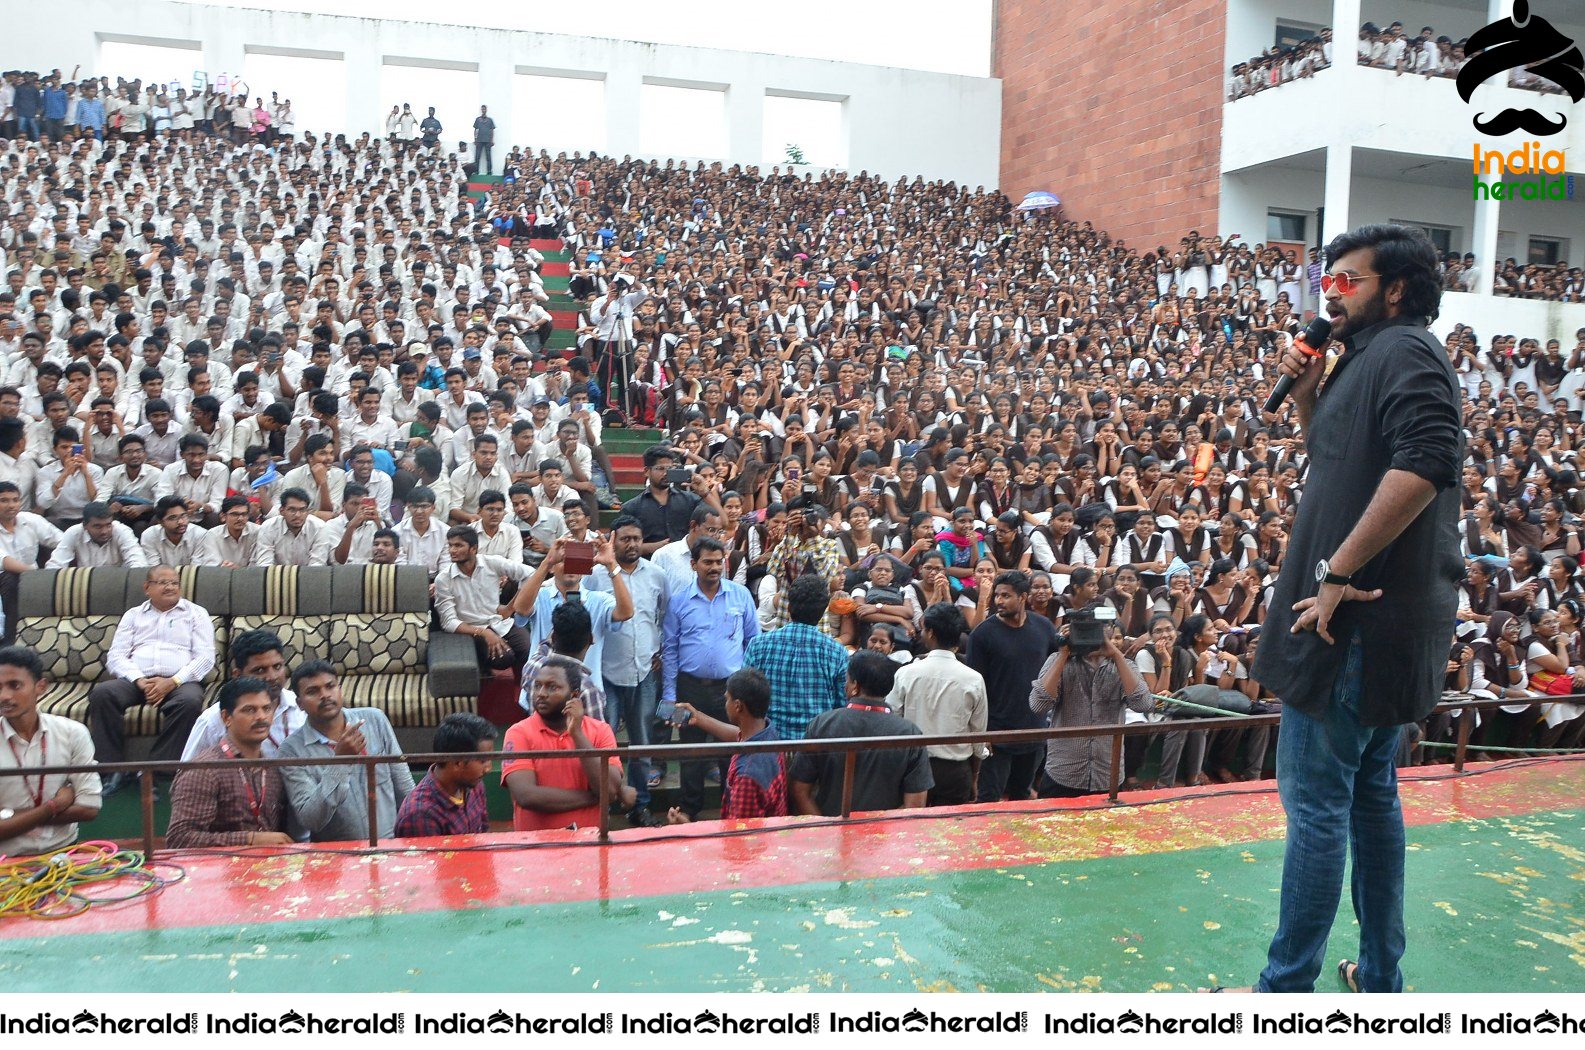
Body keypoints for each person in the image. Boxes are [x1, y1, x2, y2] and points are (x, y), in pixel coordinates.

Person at [1246, 224, 1463, 994]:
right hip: (1372, 627)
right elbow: (1342, 462)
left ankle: (1282, 992)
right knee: (1370, 803)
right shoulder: (1361, 359)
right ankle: (1378, 981)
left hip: (1352, 625)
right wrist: (1307, 396)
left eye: (1345, 280)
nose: (1326, 293)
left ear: (1395, 290)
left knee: (1314, 811)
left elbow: (1426, 463)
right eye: (1324, 280)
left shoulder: (1404, 351)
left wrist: (1337, 569)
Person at [89, 565, 215, 794]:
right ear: (147, 587)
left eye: (174, 583)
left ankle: (154, 772)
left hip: (179, 681)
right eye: (163, 582)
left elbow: (205, 658)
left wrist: (173, 681)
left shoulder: (196, 613)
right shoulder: (133, 615)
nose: (170, 587)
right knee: (102, 693)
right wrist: (138, 680)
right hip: (136, 679)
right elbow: (116, 656)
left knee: (189, 703)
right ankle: (111, 770)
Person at [661, 536, 760, 820]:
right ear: (694, 564)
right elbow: (669, 650)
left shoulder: (740, 596)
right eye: (708, 562)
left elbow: (753, 641)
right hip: (689, 686)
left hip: (730, 689)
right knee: (691, 752)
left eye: (719, 562)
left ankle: (732, 809)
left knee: (731, 750)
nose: (714, 567)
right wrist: (669, 695)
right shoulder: (679, 602)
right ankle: (688, 813)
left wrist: (746, 686)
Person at [587, 515, 669, 826]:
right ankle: (602, 806)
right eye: (625, 539)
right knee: (603, 745)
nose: (632, 544)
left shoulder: (657, 575)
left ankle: (640, 806)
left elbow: (661, 615)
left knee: (642, 742)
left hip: (644, 671)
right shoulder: (595, 575)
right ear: (612, 540)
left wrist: (656, 648)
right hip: (605, 672)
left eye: (636, 538)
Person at [277, 660, 414, 842]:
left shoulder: (374, 720)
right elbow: (311, 819)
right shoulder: (291, 750)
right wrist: (340, 762)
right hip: (337, 857)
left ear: (340, 689)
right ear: (299, 703)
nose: (324, 695)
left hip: (391, 845)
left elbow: (404, 787)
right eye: (312, 691)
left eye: (330, 686)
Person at [1028, 604, 1155, 795]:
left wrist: (1116, 655)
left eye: (1101, 628)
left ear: (1112, 631)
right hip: (1063, 773)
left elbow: (1143, 704)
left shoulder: (1124, 665)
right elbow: (1038, 705)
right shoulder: (1058, 660)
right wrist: (1063, 653)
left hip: (1107, 775)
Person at [789, 651, 933, 816]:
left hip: (829, 834)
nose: (845, 685)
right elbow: (915, 804)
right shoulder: (910, 734)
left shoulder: (822, 724)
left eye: (847, 680)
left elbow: (799, 790)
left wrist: (826, 829)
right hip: (886, 837)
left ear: (855, 686)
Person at [502, 654, 633, 831]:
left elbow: (608, 790)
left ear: (574, 695)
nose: (541, 694)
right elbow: (526, 796)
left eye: (552, 687)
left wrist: (577, 734)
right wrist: (593, 798)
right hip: (535, 848)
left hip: (589, 845)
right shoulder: (518, 733)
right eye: (538, 685)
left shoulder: (600, 730)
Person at [966, 570, 1061, 802]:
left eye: (1006, 595)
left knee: (1022, 794)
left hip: (1034, 728)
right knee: (989, 797)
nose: (999, 600)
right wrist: (982, 732)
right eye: (997, 595)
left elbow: (1055, 667)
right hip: (997, 731)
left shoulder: (1044, 627)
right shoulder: (982, 635)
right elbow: (976, 687)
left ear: (1023, 597)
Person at [165, 676, 292, 848]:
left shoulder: (272, 769)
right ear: (226, 717)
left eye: (266, 709)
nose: (261, 717)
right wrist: (250, 840)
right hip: (218, 871)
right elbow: (180, 839)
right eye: (249, 710)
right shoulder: (203, 770)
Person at [0, 645, 101, 857]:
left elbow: (89, 807)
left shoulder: (72, 732)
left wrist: (10, 816)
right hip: (6, 861)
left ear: (41, 687)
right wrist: (54, 806)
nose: (5, 696)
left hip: (64, 855)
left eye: (14, 685)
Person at [889, 602, 988, 806]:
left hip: (913, 766)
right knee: (950, 834)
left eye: (924, 629)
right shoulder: (973, 679)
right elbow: (979, 733)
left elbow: (893, 721)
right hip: (955, 770)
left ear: (931, 633)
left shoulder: (906, 674)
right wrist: (974, 774)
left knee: (911, 829)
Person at [667, 667, 786, 823]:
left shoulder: (746, 777)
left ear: (738, 706)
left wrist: (685, 826)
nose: (725, 703)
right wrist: (699, 717)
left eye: (727, 699)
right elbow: (736, 734)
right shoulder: (767, 732)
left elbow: (738, 838)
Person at [511, 534, 631, 681]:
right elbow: (521, 609)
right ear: (553, 568)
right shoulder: (539, 595)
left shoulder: (599, 600)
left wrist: (612, 564)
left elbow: (626, 613)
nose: (569, 566)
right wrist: (547, 562)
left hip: (584, 689)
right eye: (563, 560)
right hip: (541, 689)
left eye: (576, 561)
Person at [744, 573, 848, 740]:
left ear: (789, 607)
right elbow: (841, 706)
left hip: (768, 748)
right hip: (815, 750)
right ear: (823, 611)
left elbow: (745, 699)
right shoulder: (837, 653)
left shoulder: (758, 646)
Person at [180, 628, 304, 761]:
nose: (272, 677)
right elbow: (188, 772)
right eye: (260, 670)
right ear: (238, 675)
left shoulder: (301, 707)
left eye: (277, 667)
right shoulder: (212, 720)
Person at [434, 525, 535, 673]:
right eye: (450, 545)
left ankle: (524, 690)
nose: (452, 550)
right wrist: (484, 633)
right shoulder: (443, 579)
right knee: (504, 658)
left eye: (458, 545)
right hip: (472, 630)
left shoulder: (491, 563)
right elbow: (448, 622)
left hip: (499, 622)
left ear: (473, 548)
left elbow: (531, 574)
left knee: (529, 649)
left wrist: (511, 607)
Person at [394, 712, 495, 838]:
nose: (488, 768)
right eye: (482, 761)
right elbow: (426, 858)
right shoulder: (420, 815)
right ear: (457, 763)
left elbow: (484, 835)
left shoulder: (475, 785)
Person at [45, 501, 147, 567]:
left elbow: (138, 563)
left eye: (108, 525)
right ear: (85, 525)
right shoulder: (74, 533)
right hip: (85, 586)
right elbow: (56, 564)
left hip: (118, 584)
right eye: (97, 526)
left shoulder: (122, 531)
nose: (104, 531)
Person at [472, 105, 496, 174]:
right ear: (481, 110)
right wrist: (475, 139)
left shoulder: (490, 120)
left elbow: (492, 130)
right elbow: (475, 130)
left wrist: (492, 140)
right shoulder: (478, 119)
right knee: (477, 157)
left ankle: (489, 171)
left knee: (488, 157)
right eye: (482, 109)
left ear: (486, 110)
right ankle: (476, 171)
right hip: (479, 140)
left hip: (488, 141)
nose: (483, 110)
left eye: (484, 109)